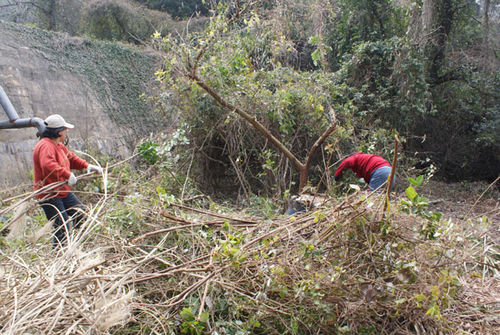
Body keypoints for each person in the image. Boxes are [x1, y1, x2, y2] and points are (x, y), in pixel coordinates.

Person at [33, 114, 102, 247]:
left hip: (62, 191)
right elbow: (48, 165)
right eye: (65, 130)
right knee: (62, 226)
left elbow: (70, 158)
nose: (66, 133)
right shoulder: (45, 146)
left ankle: (79, 245)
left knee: (81, 214)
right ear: (59, 132)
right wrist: (66, 174)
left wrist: (87, 166)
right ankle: (60, 256)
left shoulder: (58, 145)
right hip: (49, 194)